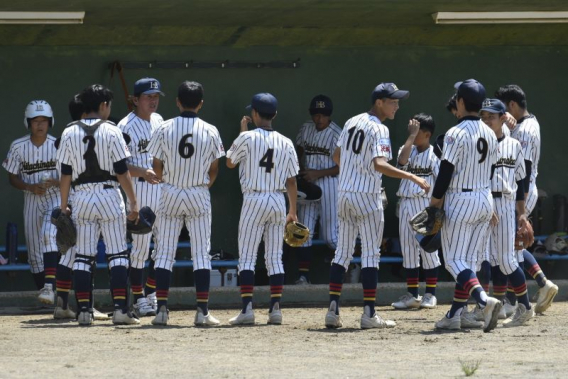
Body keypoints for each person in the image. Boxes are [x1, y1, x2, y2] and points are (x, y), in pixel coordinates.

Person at [324, 83, 430, 329]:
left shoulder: (351, 121)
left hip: (345, 194)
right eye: (392, 101)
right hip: (367, 196)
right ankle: (369, 314)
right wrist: (412, 177)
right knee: (371, 255)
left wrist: (355, 168)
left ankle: (333, 311)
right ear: (379, 102)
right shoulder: (379, 128)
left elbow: (337, 157)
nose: (397, 105)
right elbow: (380, 164)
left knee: (342, 253)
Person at [57, 84, 140, 326]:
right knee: (117, 255)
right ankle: (120, 310)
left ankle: (84, 311)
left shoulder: (68, 131)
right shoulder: (112, 130)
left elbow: (65, 174)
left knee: (83, 256)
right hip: (108, 194)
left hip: (81, 195)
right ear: (103, 105)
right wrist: (133, 201)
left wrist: (64, 207)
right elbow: (122, 172)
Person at [148, 81, 224, 326]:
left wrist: (168, 181)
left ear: (178, 102)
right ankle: (202, 312)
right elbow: (215, 169)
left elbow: (156, 165)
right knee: (201, 254)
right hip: (198, 192)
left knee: (163, 254)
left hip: (169, 190)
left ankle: (161, 310)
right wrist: (202, 186)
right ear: (200, 104)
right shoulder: (210, 130)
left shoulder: (163, 127)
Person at [430, 79, 502, 332]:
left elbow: (445, 173)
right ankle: (454, 315)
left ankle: (484, 300)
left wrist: (434, 204)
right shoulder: (490, 133)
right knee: (469, 263)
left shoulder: (455, 133)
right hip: (484, 198)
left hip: (461, 199)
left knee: (453, 261)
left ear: (460, 102)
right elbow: (492, 171)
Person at [226, 93, 299, 325]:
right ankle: (275, 309)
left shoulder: (247, 137)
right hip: (278, 200)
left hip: (254, 199)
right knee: (274, 258)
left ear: (255, 114)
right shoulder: (286, 142)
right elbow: (292, 181)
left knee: (247, 258)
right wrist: (293, 210)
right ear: (275, 114)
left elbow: (230, 162)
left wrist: (242, 131)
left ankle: (247, 309)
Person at [495, 84, 558, 315]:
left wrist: (520, 206)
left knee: (511, 247)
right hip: (521, 190)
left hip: (520, 192)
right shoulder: (529, 122)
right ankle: (542, 284)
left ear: (511, 105)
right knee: (513, 247)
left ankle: (512, 301)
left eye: (502, 108)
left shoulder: (524, 130)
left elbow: (523, 169)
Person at [478, 98, 534, 326]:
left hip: (506, 204)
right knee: (484, 259)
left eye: (491, 116)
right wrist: (487, 205)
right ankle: (487, 306)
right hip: (484, 202)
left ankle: (525, 307)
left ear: (503, 118)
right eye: (483, 116)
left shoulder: (514, 145)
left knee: (506, 261)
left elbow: (521, 181)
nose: (486, 120)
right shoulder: (480, 143)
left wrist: (522, 214)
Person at [53, 94, 109, 321]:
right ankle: (83, 305)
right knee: (83, 256)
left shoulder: (65, 135)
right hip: (82, 196)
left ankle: (64, 303)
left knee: (70, 254)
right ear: (85, 113)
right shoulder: (78, 133)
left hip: (72, 197)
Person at [3, 100, 60, 305]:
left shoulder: (57, 144)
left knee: (48, 234)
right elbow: (12, 177)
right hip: (31, 199)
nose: (40, 124)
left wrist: (56, 182)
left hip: (54, 196)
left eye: (43, 120)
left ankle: (51, 287)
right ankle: (48, 296)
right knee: (35, 256)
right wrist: (29, 187)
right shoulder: (18, 146)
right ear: (28, 122)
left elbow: (68, 177)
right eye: (35, 120)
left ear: (50, 121)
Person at [117, 78, 164, 317]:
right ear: (135, 100)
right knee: (140, 248)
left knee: (164, 247)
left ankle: (152, 292)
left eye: (155, 96)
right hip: (138, 189)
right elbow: (119, 166)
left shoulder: (159, 120)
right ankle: (138, 298)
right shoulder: (125, 126)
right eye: (148, 96)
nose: (153, 100)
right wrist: (141, 171)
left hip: (161, 191)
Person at [391, 113, 441, 310]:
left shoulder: (435, 156)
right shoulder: (407, 149)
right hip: (405, 204)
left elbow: (441, 186)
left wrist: (436, 211)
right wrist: (411, 137)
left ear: (427, 134)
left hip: (425, 205)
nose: (411, 131)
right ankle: (412, 294)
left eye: (417, 131)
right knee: (409, 251)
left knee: (428, 250)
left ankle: (431, 294)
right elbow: (401, 163)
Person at [293, 95, 341, 284]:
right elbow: (298, 150)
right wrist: (297, 168)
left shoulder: (337, 133)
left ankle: (349, 267)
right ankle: (303, 277)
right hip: (308, 185)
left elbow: (342, 166)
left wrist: (317, 173)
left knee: (331, 237)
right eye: (316, 114)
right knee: (303, 234)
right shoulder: (306, 128)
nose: (319, 118)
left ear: (329, 115)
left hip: (330, 183)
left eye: (323, 115)